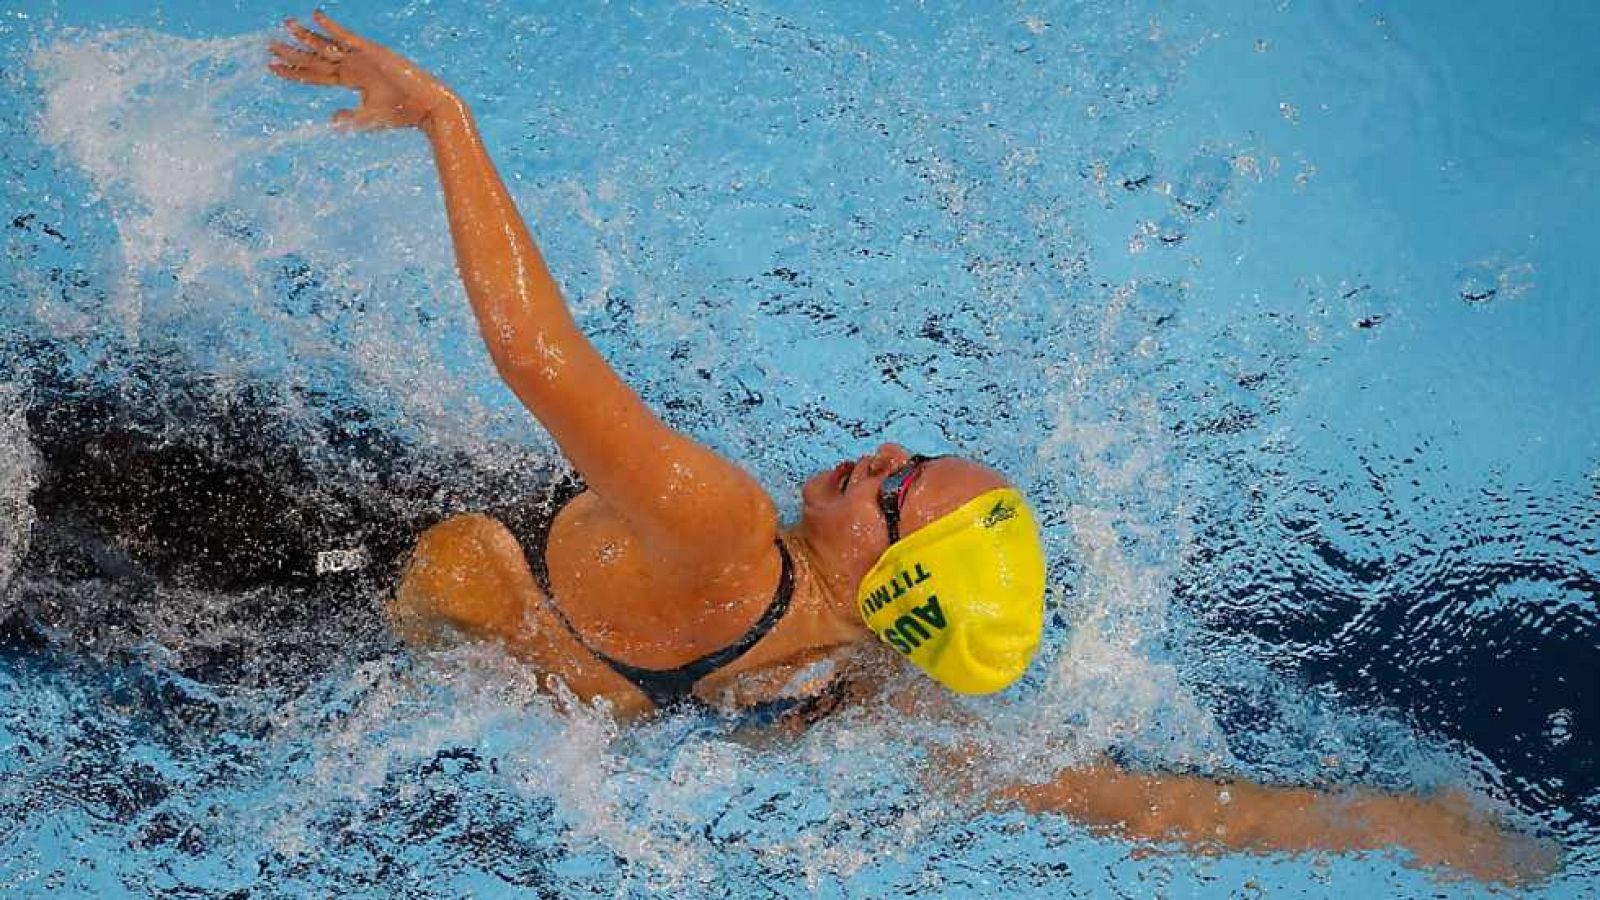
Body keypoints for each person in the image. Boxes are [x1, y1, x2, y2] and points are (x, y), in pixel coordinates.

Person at [267, 12, 1551, 882]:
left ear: (888, 575)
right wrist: (1395, 828)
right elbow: (1134, 805)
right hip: (351, 648)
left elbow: (533, 356)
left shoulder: (719, 526)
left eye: (894, 490)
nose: (878, 454)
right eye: (910, 458)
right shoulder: (834, 694)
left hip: (286, 555)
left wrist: (442, 117)